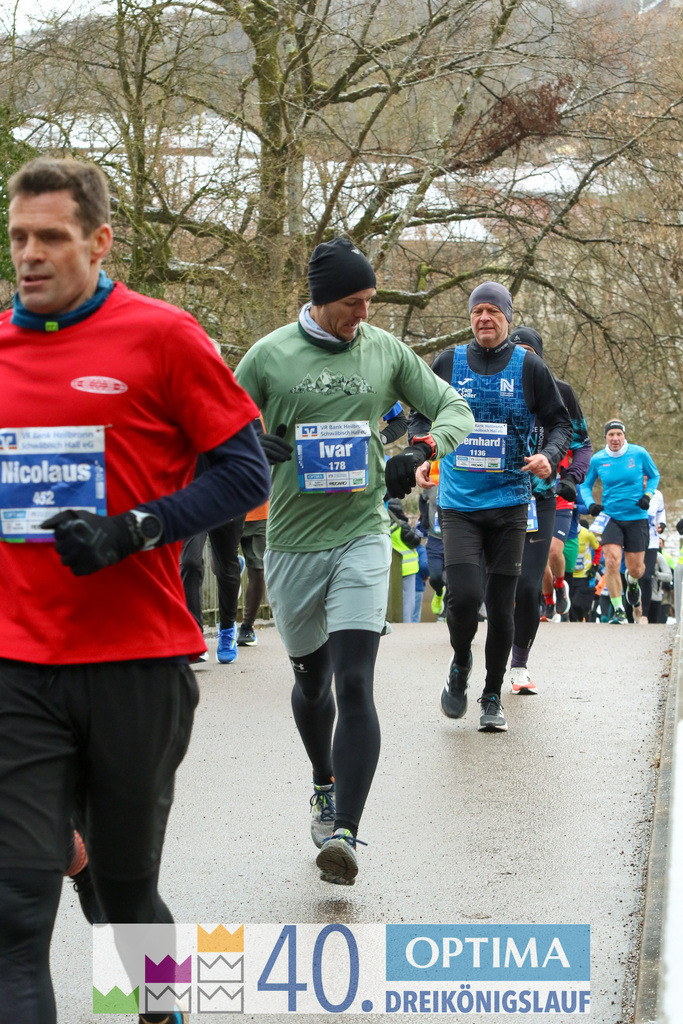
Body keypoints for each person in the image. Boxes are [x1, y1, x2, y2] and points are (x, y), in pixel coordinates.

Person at [0, 156, 271, 1024]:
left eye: (51, 237)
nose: (29, 256)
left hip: (136, 663)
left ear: (99, 240)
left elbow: (243, 471)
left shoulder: (161, 335)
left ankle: (154, 1006)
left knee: (123, 899)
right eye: (17, 238)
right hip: (16, 664)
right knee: (13, 909)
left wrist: (135, 529)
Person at [235, 236, 474, 884]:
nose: (362, 314)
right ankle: (322, 779)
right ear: (320, 300)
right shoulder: (269, 357)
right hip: (290, 546)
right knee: (312, 685)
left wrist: (421, 449)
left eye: (369, 301)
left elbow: (455, 407)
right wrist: (252, 445)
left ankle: (345, 832)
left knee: (355, 682)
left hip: (361, 535)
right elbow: (215, 423)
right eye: (352, 303)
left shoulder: (384, 352)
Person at [410, 284, 572, 731]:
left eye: (493, 311)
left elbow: (561, 424)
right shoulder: (447, 362)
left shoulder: (529, 367)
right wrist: (423, 453)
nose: (485, 317)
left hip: (510, 504)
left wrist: (550, 457)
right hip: (460, 503)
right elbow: (420, 415)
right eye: (477, 310)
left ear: (506, 316)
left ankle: (491, 695)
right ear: (470, 317)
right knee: (463, 599)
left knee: (502, 609)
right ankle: (461, 662)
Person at [505, 327, 592, 694]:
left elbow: (584, 443)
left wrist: (572, 477)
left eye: (529, 352)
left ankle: (520, 665)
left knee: (527, 585)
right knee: (492, 586)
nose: (523, 359)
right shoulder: (497, 386)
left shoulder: (562, 392)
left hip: (545, 498)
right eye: (517, 351)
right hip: (497, 497)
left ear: (539, 356)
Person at [579, 419, 659, 624]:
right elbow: (585, 485)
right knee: (612, 560)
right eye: (611, 435)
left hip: (636, 517)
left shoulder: (639, 453)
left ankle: (632, 583)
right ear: (605, 437)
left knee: (636, 569)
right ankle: (619, 610)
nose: (615, 438)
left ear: (624, 436)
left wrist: (648, 496)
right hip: (611, 517)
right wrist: (590, 504)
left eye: (618, 434)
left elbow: (654, 476)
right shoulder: (598, 459)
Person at [387, 497, 422, 622]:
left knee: (392, 598)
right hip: (408, 567)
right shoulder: (401, 526)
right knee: (408, 599)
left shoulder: (385, 527)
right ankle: (406, 623)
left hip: (391, 568)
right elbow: (416, 541)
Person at [640, 488, 666, 621]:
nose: (644, 483)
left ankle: (644, 614)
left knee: (646, 577)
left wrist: (662, 524)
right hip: (635, 539)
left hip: (652, 542)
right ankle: (632, 610)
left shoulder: (657, 494)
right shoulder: (631, 489)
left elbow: (661, 512)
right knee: (633, 576)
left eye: (647, 479)